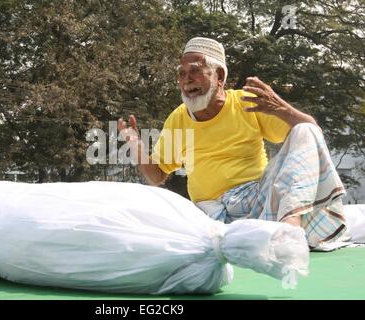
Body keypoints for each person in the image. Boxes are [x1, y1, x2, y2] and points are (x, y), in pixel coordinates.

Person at [118, 37, 348, 248]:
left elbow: (311, 134)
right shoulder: (177, 118)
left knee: (305, 128)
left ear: (219, 77)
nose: (186, 80)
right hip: (209, 214)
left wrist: (281, 108)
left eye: (196, 71)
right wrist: (135, 144)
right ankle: (274, 233)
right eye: (182, 73)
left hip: (258, 200)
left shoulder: (246, 103)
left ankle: (289, 225)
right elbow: (157, 176)